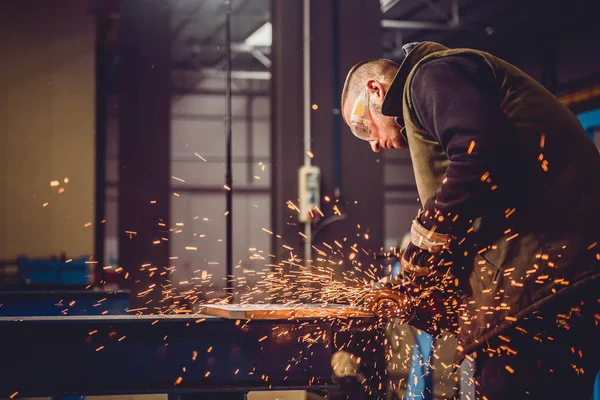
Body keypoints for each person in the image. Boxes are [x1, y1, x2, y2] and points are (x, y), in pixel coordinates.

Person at [342, 41, 600, 399]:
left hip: (542, 290)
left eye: (362, 127)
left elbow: (477, 156)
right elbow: (486, 196)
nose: (370, 142)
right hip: (550, 284)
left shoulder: (428, 74)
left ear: (375, 90)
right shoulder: (438, 94)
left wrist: (425, 239)